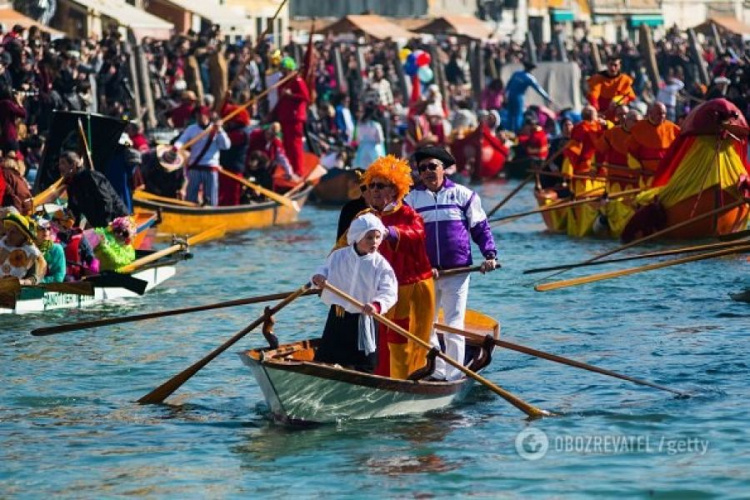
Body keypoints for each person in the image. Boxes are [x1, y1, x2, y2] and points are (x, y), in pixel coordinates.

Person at [404, 146, 498, 380]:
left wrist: (489, 255)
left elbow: (480, 227)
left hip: (458, 270)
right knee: (427, 323)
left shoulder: (463, 195)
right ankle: (436, 371)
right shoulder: (410, 199)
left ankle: (455, 375)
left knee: (454, 322)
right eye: (422, 168)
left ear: (443, 168)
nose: (426, 171)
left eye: (432, 166)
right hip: (426, 273)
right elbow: (407, 237)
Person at [338, 156, 434, 380]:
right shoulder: (366, 217)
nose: (373, 190)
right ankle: (383, 381)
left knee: (404, 343)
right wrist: (325, 273)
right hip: (382, 290)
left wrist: (391, 233)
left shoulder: (409, 214)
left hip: (412, 289)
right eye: (370, 186)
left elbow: (417, 235)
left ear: (394, 189)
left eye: (379, 185)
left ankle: (408, 382)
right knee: (382, 340)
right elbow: (343, 244)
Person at [312, 213, 398, 373]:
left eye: (378, 237)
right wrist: (318, 278)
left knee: (363, 363)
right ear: (357, 237)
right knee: (328, 358)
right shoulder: (338, 256)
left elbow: (389, 291)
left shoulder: (380, 264)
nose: (375, 242)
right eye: (369, 238)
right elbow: (323, 269)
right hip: (339, 314)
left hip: (364, 317)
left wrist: (377, 305)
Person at [173, 106, 230, 206]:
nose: (199, 118)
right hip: (195, 166)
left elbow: (226, 146)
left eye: (201, 115)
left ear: (207, 116)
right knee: (190, 196)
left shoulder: (215, 128)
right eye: (197, 115)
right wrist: (175, 148)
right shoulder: (191, 129)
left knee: (211, 197)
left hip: (211, 166)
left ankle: (211, 214)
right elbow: (182, 140)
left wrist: (220, 131)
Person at [59, 151, 129, 228]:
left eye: (63, 163)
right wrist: (73, 228)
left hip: (116, 221)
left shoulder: (90, 176)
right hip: (100, 225)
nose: (60, 167)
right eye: (59, 164)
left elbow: (106, 201)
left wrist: (104, 226)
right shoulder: (72, 184)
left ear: (73, 164)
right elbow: (73, 209)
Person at [274, 57, 310, 177]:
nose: (283, 72)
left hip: (295, 118)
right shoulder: (282, 81)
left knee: (295, 145)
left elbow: (305, 97)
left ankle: (298, 170)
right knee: (287, 145)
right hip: (285, 117)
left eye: (285, 70)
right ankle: (290, 170)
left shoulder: (297, 81)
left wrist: (291, 95)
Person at [627, 102, 681, 183]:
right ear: (650, 113)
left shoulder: (673, 129)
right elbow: (631, 153)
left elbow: (679, 150)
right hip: (647, 175)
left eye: (664, 113)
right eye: (659, 113)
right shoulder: (639, 128)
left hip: (665, 175)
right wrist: (637, 168)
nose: (662, 116)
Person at [562, 105, 608, 194]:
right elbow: (573, 149)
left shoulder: (601, 125)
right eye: (589, 111)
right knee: (586, 194)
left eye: (592, 111)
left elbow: (610, 137)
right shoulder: (580, 128)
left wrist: (606, 124)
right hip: (585, 168)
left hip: (601, 167)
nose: (591, 112)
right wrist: (568, 169)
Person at [596, 109, 642, 192]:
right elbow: (599, 150)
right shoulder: (613, 132)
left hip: (634, 180)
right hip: (615, 178)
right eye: (635, 121)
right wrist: (595, 169)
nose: (638, 124)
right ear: (627, 120)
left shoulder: (642, 136)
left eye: (639, 122)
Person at [246, 122, 296, 191]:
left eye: (273, 135)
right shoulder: (255, 135)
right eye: (269, 133)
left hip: (264, 169)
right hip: (248, 164)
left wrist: (289, 172)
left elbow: (282, 158)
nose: (270, 136)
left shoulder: (276, 143)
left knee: (268, 177)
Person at [505, 62, 552, 133]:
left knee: (510, 114)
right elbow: (538, 89)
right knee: (518, 115)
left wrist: (505, 93)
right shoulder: (529, 78)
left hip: (510, 96)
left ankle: (508, 130)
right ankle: (517, 132)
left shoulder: (517, 73)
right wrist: (547, 97)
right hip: (518, 97)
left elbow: (509, 84)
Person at [1, 213, 46, 286]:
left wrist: (22, 282)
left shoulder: (31, 253)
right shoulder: (1, 243)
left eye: (13, 232)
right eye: (8, 230)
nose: (8, 234)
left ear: (23, 235)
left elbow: (34, 278)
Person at [352, 104, 385, 169]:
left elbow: (357, 139)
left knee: (361, 171)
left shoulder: (359, 124)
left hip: (362, 151)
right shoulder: (376, 125)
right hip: (374, 150)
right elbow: (380, 140)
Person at [34, 217, 65, 283]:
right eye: (41, 228)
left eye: (48, 228)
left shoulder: (57, 249)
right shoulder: (29, 248)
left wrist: (37, 281)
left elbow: (59, 277)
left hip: (48, 289)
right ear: (34, 231)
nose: (45, 231)